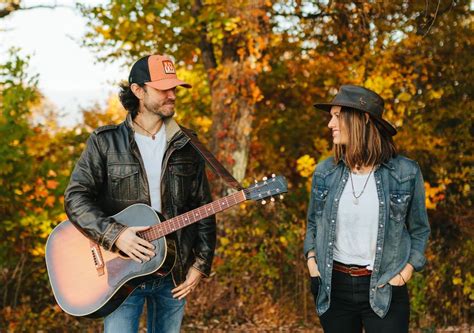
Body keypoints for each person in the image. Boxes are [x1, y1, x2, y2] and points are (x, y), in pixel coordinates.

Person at [64, 54, 216, 333]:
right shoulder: (105, 142)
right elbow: (76, 198)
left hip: (173, 272)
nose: (172, 95)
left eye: (174, 88)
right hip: (120, 272)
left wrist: (200, 264)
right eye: (163, 89)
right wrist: (116, 234)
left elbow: (202, 207)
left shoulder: (187, 144)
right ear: (138, 90)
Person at [303, 85, 430, 332]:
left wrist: (405, 272)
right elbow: (312, 224)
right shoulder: (324, 173)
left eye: (337, 116)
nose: (330, 124)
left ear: (363, 119)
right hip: (333, 287)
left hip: (384, 287)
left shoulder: (405, 173)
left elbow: (419, 230)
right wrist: (311, 262)